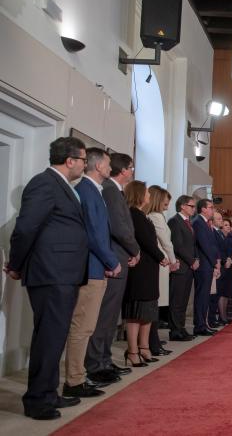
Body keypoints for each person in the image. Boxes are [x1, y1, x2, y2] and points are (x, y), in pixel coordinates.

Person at [5, 137, 88, 420]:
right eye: (83, 160)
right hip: (52, 272)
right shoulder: (44, 183)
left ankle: (49, 393)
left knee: (54, 336)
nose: (85, 165)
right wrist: (16, 263)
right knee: (49, 337)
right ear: (70, 161)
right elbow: (26, 227)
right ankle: (38, 400)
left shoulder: (62, 185)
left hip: (63, 272)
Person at [63, 148, 120, 399]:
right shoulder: (86, 191)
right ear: (98, 167)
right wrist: (111, 260)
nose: (110, 168)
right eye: (108, 164)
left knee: (86, 326)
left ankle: (79, 375)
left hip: (96, 267)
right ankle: (74, 380)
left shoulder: (92, 191)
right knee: (82, 326)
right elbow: (94, 234)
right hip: (91, 267)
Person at [85, 153, 138, 385]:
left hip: (118, 257)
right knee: (105, 315)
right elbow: (119, 227)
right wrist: (135, 249)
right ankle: (96, 364)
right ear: (123, 170)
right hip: (114, 258)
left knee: (110, 314)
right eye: (131, 167)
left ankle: (104, 360)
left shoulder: (113, 190)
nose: (133, 171)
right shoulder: (109, 190)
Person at [123, 181, 167, 366]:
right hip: (140, 269)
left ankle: (144, 347)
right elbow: (146, 241)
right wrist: (161, 256)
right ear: (139, 195)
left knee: (148, 310)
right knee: (136, 311)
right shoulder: (134, 215)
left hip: (149, 268)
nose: (149, 196)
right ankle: (133, 351)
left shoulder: (143, 215)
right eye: (147, 193)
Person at [145, 185, 177, 356]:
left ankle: (154, 339)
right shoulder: (155, 217)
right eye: (166, 200)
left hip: (161, 263)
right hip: (161, 263)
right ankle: (152, 341)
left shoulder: (158, 216)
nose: (168, 203)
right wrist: (173, 260)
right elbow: (166, 241)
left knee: (156, 305)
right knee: (155, 304)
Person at [167, 195, 199, 341]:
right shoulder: (175, 221)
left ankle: (181, 328)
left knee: (184, 300)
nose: (194, 209)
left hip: (188, 267)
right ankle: (175, 331)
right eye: (191, 206)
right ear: (183, 206)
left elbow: (192, 245)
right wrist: (192, 260)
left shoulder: (188, 222)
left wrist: (195, 259)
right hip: (180, 266)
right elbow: (178, 245)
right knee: (177, 301)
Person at [193, 199, 221, 336]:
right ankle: (199, 325)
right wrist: (214, 262)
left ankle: (204, 324)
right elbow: (204, 245)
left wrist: (216, 260)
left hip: (208, 264)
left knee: (205, 297)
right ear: (203, 209)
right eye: (210, 207)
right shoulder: (198, 222)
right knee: (202, 296)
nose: (212, 210)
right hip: (203, 265)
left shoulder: (205, 223)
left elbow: (213, 245)